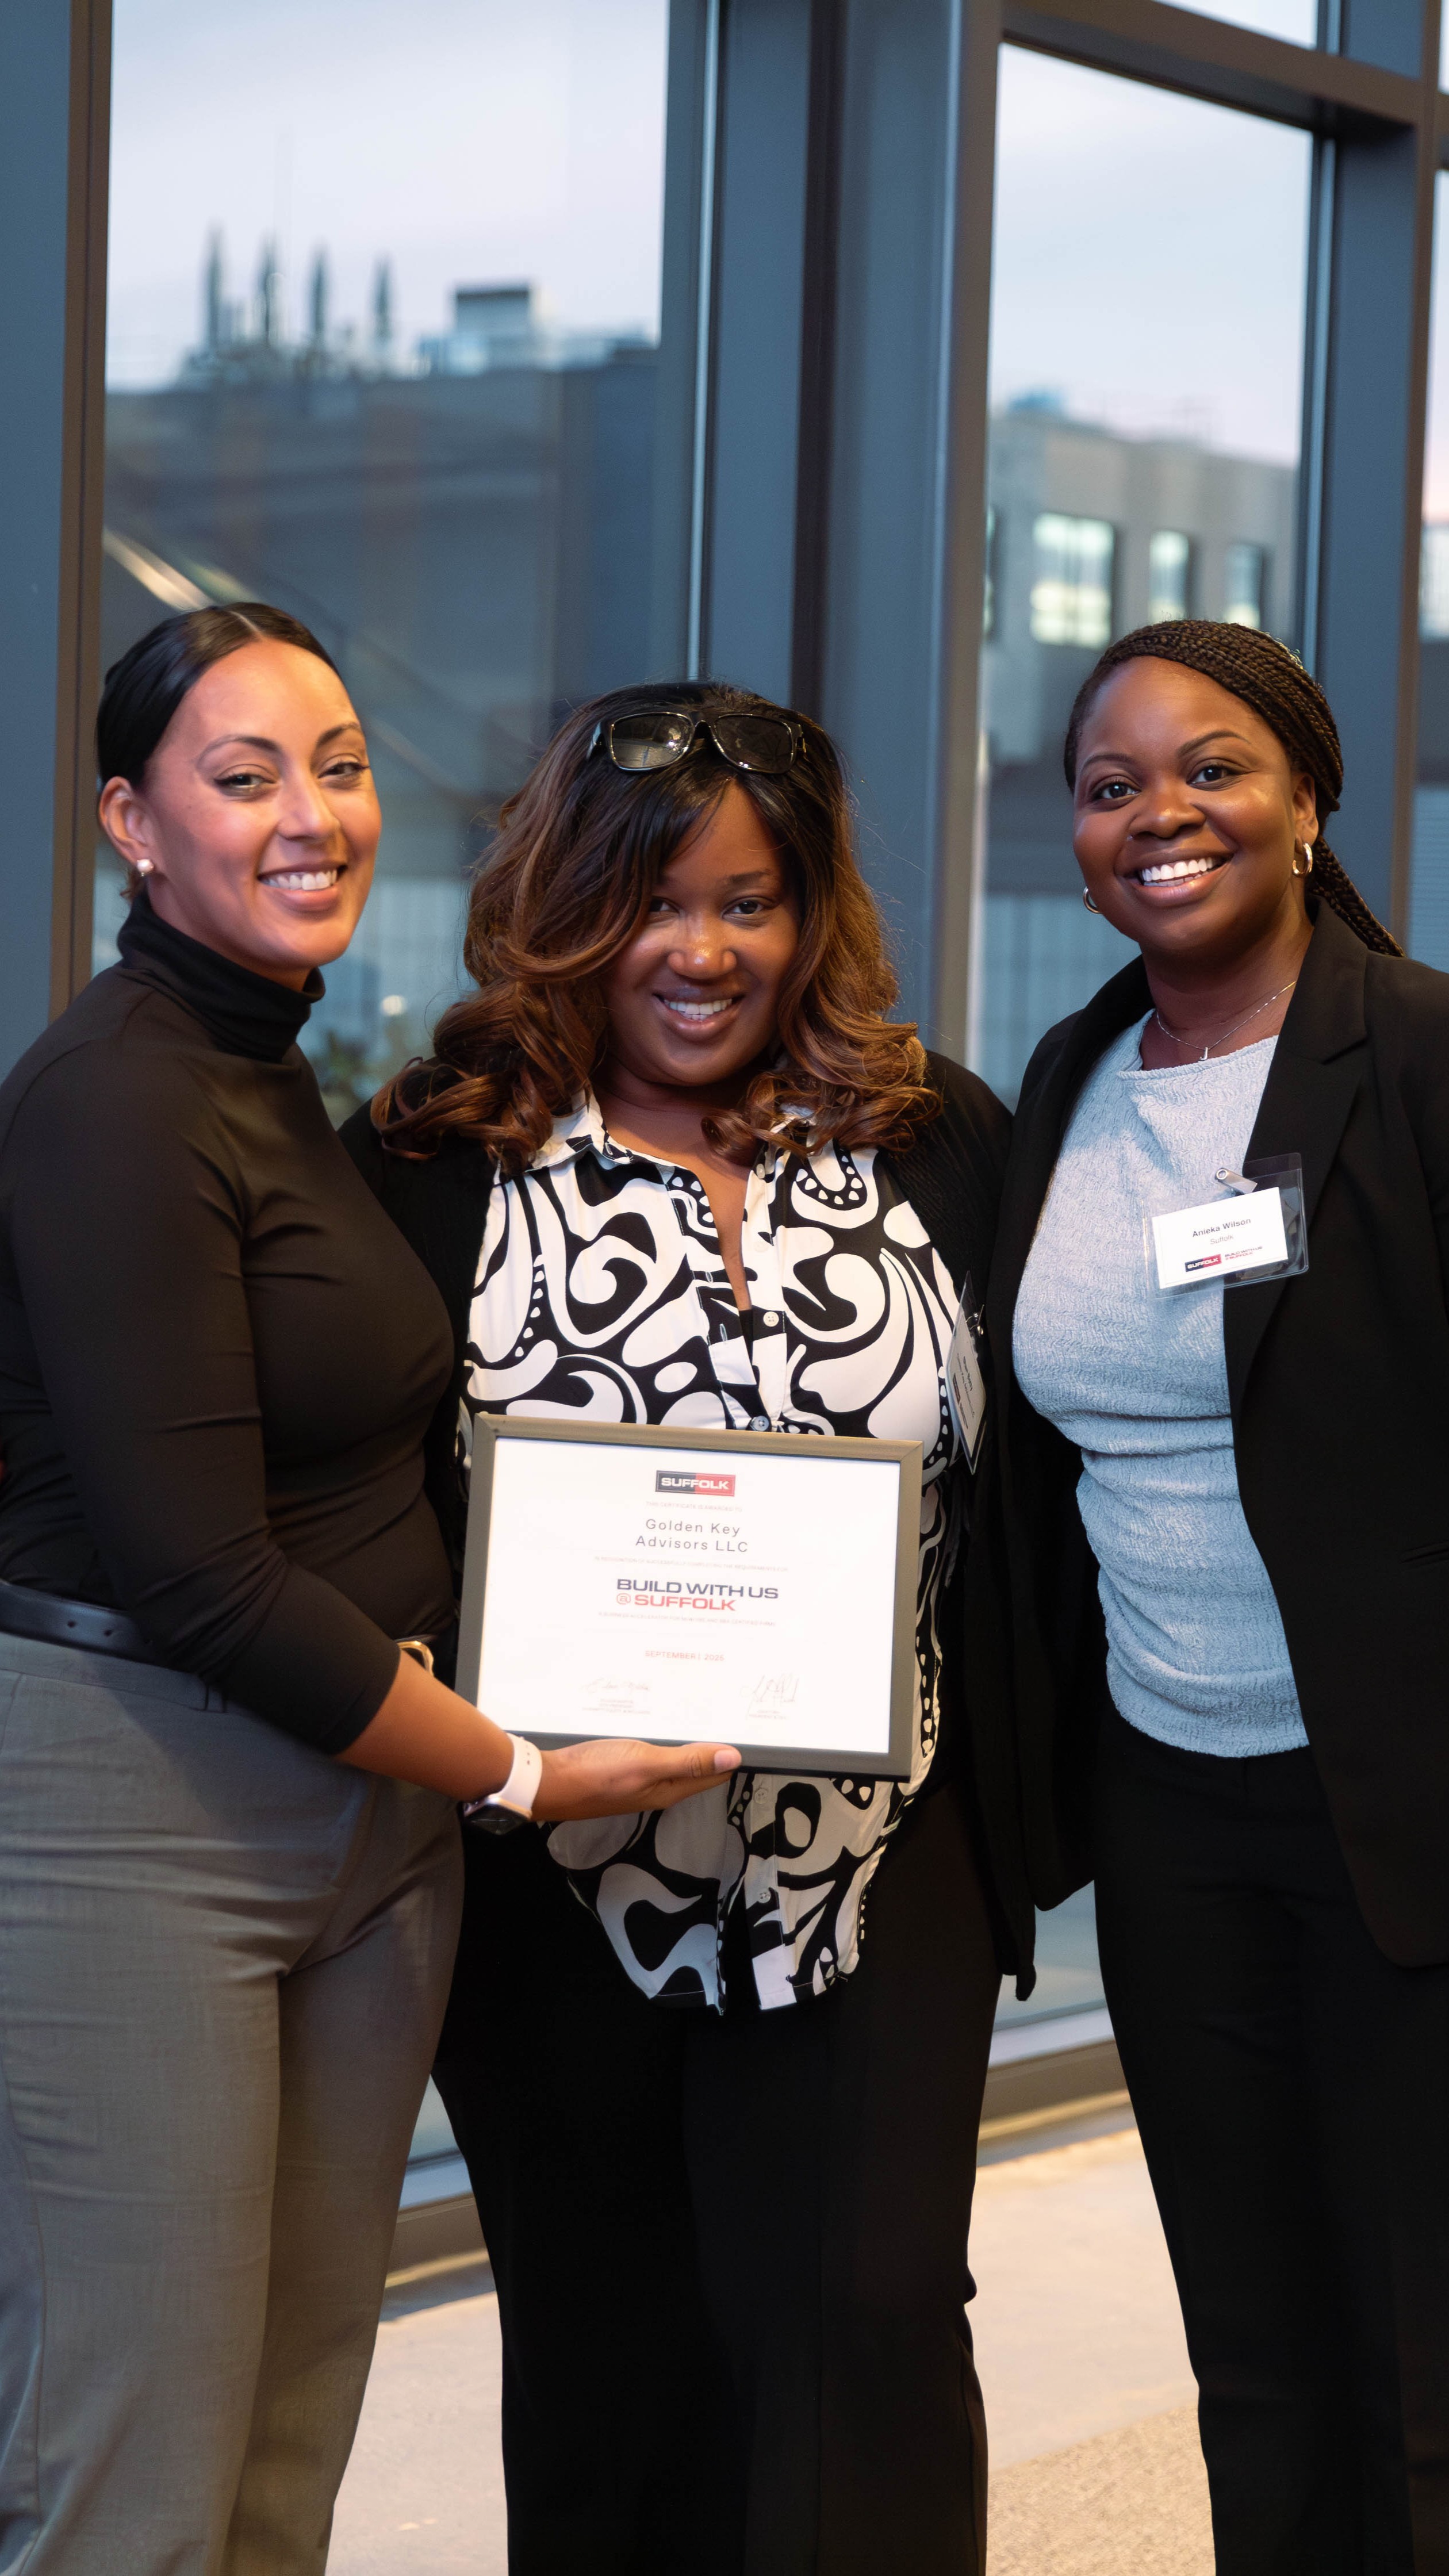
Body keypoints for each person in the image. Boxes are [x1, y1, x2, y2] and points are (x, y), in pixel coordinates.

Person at [0, 605, 735, 2576]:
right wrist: (510, 1770)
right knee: (132, 2470)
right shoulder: (111, 1100)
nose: (312, 813)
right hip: (141, 1828)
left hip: (362, 1823)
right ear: (128, 826)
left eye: (336, 762)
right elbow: (199, 1570)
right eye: (243, 778)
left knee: (284, 2448)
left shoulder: (285, 1074)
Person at [342, 680, 1022, 2576]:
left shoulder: (931, 1138)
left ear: (815, 915)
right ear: (568, 902)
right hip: (550, 1878)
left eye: (752, 901)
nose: (704, 952)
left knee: (872, 2332)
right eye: (655, 903)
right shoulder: (439, 1162)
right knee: (605, 2353)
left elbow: (1024, 1487)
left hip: (880, 1864)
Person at [987, 616, 1449, 2571]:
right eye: (1111, 787)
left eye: (1212, 769)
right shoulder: (1071, 1071)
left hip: (1405, 1811)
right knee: (1252, 2349)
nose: (1160, 814)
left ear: (1307, 798)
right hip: (1173, 1803)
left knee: (1422, 2352)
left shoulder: (1419, 1051)